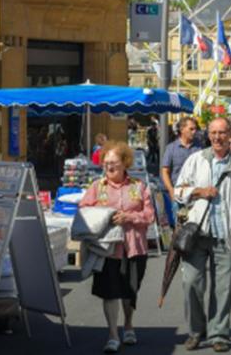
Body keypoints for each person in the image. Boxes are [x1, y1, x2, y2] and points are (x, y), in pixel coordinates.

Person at [175, 118, 231, 352]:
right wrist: (199, 191)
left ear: (230, 134)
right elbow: (179, 192)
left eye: (222, 132)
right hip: (198, 232)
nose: (218, 137)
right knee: (191, 283)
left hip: (226, 233)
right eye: (214, 132)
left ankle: (219, 333)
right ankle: (196, 331)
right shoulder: (196, 160)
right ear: (208, 135)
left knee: (223, 287)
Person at [79, 141, 154, 353]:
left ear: (125, 163)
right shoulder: (96, 187)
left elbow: (150, 216)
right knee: (110, 292)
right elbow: (83, 210)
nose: (108, 166)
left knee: (130, 291)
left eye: (113, 162)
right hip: (107, 249)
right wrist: (104, 216)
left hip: (134, 247)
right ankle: (112, 334)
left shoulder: (138, 186)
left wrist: (129, 216)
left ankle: (128, 325)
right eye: (105, 163)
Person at [161, 117, 202, 224]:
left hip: (194, 195)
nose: (195, 132)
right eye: (191, 129)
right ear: (182, 129)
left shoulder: (199, 147)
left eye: (195, 129)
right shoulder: (172, 148)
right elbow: (165, 171)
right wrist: (171, 191)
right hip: (178, 195)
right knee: (179, 226)